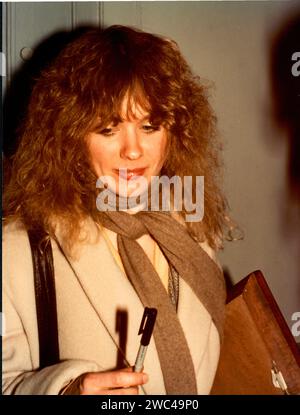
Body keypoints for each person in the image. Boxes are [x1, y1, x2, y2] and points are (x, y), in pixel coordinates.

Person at [2, 25, 228, 395]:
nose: (134, 151)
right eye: (109, 129)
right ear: (71, 135)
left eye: (150, 125)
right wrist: (67, 390)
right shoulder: (19, 248)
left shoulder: (189, 226)